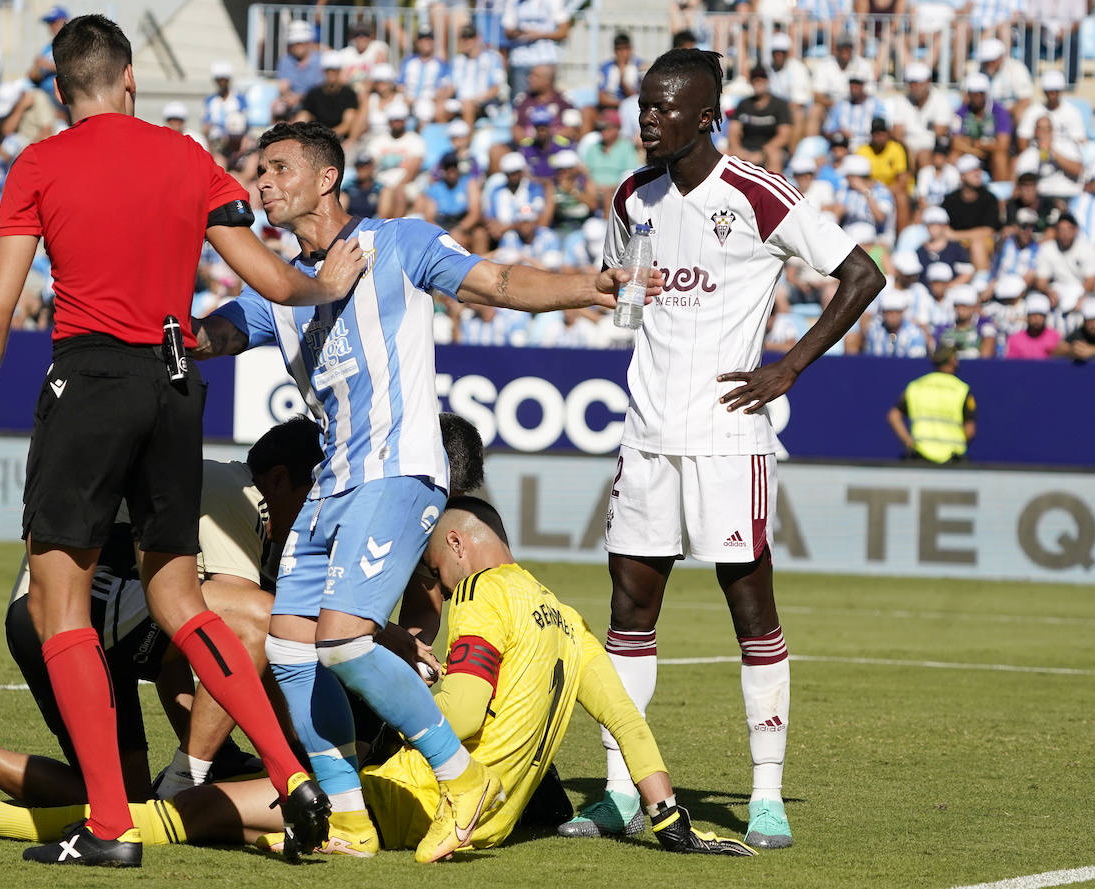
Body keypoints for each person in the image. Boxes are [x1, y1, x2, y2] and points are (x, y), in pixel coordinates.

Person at [0, 16, 365, 868]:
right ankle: (289, 772)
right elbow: (269, 279)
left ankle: (112, 827)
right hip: (174, 385)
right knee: (181, 600)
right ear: (130, 80)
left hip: (89, 381)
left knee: (60, 604)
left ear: (62, 90)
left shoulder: (41, 164)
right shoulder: (187, 156)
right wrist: (321, 282)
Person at [188, 120, 629, 863]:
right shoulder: (280, 288)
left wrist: (590, 285)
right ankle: (352, 817)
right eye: (256, 171)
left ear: (326, 178)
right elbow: (214, 335)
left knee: (343, 639)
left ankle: (464, 777)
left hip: (398, 470)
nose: (262, 183)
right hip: (332, 484)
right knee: (293, 651)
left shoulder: (401, 242)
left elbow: (500, 281)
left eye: (277, 168)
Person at [0, 497, 757, 861]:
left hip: (411, 804)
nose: (437, 582)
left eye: (434, 565)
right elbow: (629, 724)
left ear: (459, 546)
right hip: (486, 827)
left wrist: (398, 675)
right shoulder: (567, 620)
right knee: (230, 821)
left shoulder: (485, 604)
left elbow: (459, 711)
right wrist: (668, 815)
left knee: (191, 808)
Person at [573, 47, 884, 851]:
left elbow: (861, 275)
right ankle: (615, 789)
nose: (647, 118)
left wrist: (789, 366)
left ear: (707, 115)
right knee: (628, 614)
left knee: (752, 610)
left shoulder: (755, 193)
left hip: (726, 437)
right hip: (645, 436)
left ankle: (767, 794)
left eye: (664, 107)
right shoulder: (631, 196)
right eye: (642, 104)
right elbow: (631, 303)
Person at [0, 418, 326, 827]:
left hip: (53, 618)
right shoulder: (245, 493)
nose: (317, 517)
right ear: (278, 479)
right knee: (265, 616)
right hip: (78, 615)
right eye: (315, 497)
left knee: (122, 797)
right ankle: (185, 788)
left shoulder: (224, 491)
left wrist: (219, 752)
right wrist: (303, 754)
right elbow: (239, 637)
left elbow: (173, 658)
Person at [887, 344, 975, 461]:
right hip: (952, 459)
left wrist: (909, 442)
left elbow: (893, 416)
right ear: (952, 361)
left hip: (920, 457)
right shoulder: (962, 390)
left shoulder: (916, 386)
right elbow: (970, 430)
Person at [727, 67, 791, 173]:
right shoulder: (743, 104)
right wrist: (739, 151)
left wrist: (762, 153)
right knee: (723, 154)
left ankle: (772, 188)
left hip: (769, 149)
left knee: (774, 155)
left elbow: (784, 136)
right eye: (755, 79)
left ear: (767, 81)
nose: (758, 82)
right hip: (746, 149)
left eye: (762, 78)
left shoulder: (780, 105)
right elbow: (733, 132)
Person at [298, 52, 359, 139]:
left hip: (340, 139)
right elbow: (303, 116)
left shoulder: (349, 94)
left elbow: (347, 125)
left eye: (334, 70)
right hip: (318, 138)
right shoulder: (314, 93)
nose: (331, 73)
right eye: (328, 70)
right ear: (323, 71)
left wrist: (326, 136)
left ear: (339, 71)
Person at [1004, 292, 1063, 359]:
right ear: (1027, 316)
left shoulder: (1055, 337)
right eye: (1033, 315)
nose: (1037, 318)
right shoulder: (1015, 339)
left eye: (1041, 315)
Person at [1052, 297, 1095, 363]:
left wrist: (1091, 351)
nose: (1092, 325)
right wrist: (1072, 350)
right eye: (1089, 321)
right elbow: (1057, 351)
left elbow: (1090, 351)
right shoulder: (1081, 332)